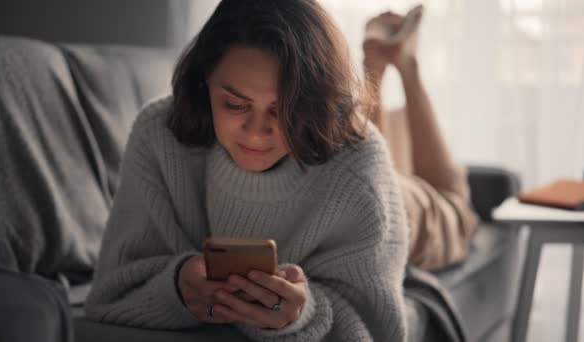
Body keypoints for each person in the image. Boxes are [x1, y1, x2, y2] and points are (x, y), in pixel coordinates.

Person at [85, 1, 409, 341]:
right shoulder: (158, 134)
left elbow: (380, 329)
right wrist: (177, 286)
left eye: (283, 109)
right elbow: (108, 294)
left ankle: (405, 64)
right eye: (235, 104)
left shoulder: (359, 164)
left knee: (447, 209)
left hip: (401, 202)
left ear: (314, 101)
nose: (256, 132)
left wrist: (305, 314)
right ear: (204, 82)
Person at [362, 10, 478, 271]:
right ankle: (403, 67)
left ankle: (387, 67)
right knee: (456, 209)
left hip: (394, 196)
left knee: (443, 198)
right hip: (401, 204)